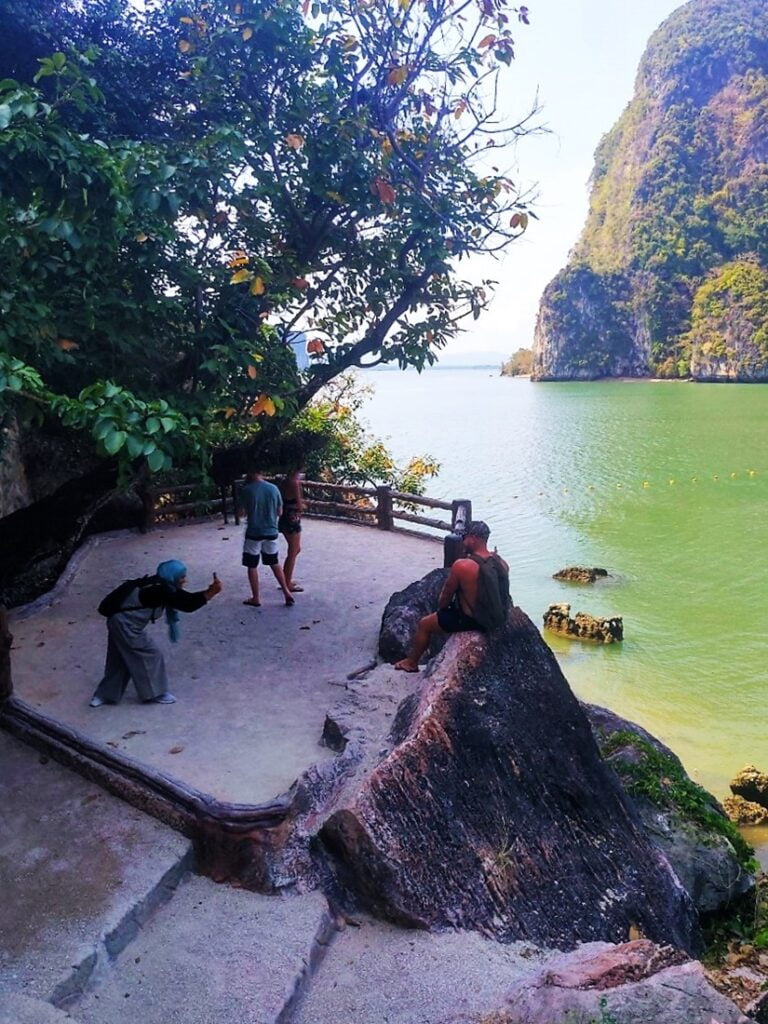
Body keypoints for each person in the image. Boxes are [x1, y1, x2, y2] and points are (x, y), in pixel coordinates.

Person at [89, 560, 222, 706]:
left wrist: (208, 592)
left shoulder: (158, 584)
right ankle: (154, 693)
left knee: (120, 658)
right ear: (172, 577)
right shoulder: (161, 590)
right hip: (125, 625)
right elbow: (187, 603)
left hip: (118, 622)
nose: (184, 580)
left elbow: (183, 598)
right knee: (150, 655)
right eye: (182, 577)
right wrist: (210, 593)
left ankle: (104, 696)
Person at [394, 521, 510, 672]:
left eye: (465, 537)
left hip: (472, 621)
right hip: (498, 618)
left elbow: (446, 595)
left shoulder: (462, 565)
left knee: (424, 624)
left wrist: (441, 610)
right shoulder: (501, 563)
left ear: (473, 538)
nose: (463, 541)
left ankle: (411, 663)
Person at [238, 464, 294, 607]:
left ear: (250, 472)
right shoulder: (274, 489)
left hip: (254, 533)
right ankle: (287, 592)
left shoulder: (246, 490)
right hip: (271, 532)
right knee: (274, 562)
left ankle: (256, 598)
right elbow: (280, 512)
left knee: (252, 565)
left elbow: (241, 513)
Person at [278, 466, 305, 593]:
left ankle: (285, 579)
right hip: (292, 518)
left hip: (285, 516)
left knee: (295, 549)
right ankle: (286, 583)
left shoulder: (284, 481)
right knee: (293, 551)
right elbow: (299, 505)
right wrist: (303, 506)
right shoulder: (295, 483)